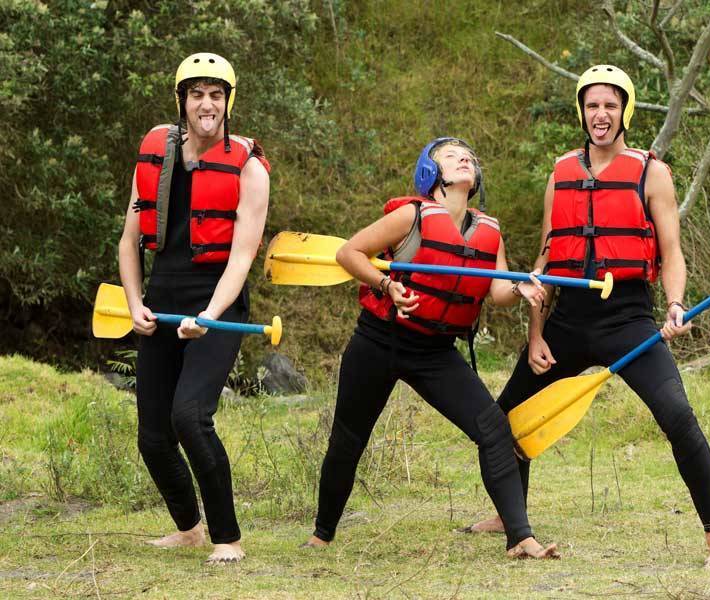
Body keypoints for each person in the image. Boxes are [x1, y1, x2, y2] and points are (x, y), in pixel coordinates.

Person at [465, 65, 710, 567]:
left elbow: (672, 252)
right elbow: (546, 262)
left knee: (676, 415)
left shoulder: (651, 172)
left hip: (628, 317)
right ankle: (510, 512)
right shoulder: (561, 171)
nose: (601, 115)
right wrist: (536, 334)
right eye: (592, 106)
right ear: (582, 112)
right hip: (567, 319)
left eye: (610, 105)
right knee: (504, 421)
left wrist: (675, 304)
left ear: (625, 111)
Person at [304, 137, 558, 558]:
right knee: (349, 439)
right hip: (378, 340)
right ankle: (322, 533)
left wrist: (522, 289)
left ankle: (520, 538)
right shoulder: (412, 215)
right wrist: (387, 284)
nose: (464, 159)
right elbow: (349, 253)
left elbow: (496, 292)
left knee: (494, 429)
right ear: (430, 172)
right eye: (451, 155)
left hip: (434, 351)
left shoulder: (488, 231)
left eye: (469, 157)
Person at [117, 52, 270, 565]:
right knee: (153, 436)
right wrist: (135, 302)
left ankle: (228, 538)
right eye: (197, 93)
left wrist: (208, 314)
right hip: (160, 299)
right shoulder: (156, 154)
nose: (207, 104)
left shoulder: (249, 167)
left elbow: (243, 255)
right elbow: (129, 241)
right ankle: (189, 529)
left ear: (229, 103)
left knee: (190, 417)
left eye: (217, 95)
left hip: (217, 300)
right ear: (181, 100)